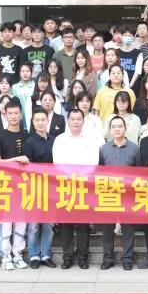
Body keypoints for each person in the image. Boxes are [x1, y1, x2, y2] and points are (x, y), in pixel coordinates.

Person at [52, 109, 103, 269]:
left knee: (82, 224)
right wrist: (70, 176)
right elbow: (57, 162)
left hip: (84, 186)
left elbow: (93, 162)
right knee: (65, 223)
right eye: (72, 119)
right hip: (65, 185)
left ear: (83, 121)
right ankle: (67, 257)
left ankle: (82, 257)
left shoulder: (90, 140)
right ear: (68, 121)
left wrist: (80, 176)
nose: (75, 121)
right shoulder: (60, 140)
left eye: (78, 119)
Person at [97, 116, 140, 270]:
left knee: (128, 228)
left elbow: (139, 172)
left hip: (128, 194)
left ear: (125, 129)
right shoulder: (103, 149)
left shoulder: (135, 148)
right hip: (109, 193)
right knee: (108, 229)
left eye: (120, 126)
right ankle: (108, 258)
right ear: (110, 130)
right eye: (114, 127)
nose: (117, 129)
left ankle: (127, 259)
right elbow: (100, 170)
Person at [0, 99, 30, 271]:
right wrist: (15, 160)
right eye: (10, 113)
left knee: (21, 222)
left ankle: (18, 254)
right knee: (6, 222)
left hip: (24, 185)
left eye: (16, 113)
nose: (13, 116)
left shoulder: (27, 135)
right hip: (5, 184)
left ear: (21, 114)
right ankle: (5, 256)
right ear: (5, 115)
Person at [23, 110, 57, 269]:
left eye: (43, 119)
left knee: (49, 224)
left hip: (52, 187)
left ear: (47, 121)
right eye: (37, 120)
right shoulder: (29, 142)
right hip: (34, 187)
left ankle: (46, 255)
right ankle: (34, 255)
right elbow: (27, 167)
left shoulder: (55, 141)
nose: (41, 122)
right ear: (33, 122)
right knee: (34, 225)